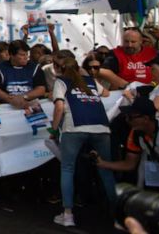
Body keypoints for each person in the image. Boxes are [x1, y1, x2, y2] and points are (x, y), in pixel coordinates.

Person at [50, 55, 116, 228]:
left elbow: (59, 106)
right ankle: (117, 212)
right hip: (101, 127)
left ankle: (68, 214)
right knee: (106, 168)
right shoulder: (90, 81)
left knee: (67, 168)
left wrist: (53, 129)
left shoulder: (61, 82)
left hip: (75, 127)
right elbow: (107, 93)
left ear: (60, 68)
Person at [96, 97, 159, 191]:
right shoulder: (136, 134)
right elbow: (130, 164)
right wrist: (102, 163)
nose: (127, 120)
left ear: (146, 118)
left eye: (130, 117)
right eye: (126, 117)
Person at [0, 40, 46, 110]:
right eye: (22, 55)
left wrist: (24, 97)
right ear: (11, 55)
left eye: (26, 54)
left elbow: (41, 89)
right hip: (8, 109)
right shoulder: (0, 68)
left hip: (30, 107)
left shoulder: (35, 68)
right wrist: (10, 99)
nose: (26, 57)